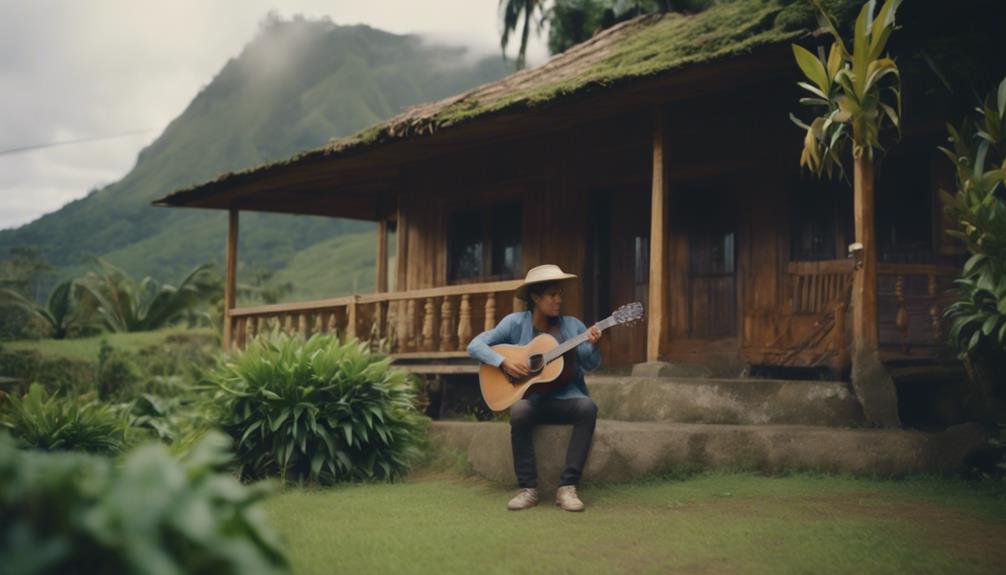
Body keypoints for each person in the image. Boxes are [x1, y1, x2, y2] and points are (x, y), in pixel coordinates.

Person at [467, 264, 602, 511]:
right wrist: (503, 362)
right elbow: (474, 345)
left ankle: (568, 487)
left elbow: (591, 364)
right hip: (534, 400)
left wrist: (593, 344)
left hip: (566, 398)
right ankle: (528, 489)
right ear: (535, 297)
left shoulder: (573, 327)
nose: (559, 300)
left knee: (588, 407)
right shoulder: (514, 324)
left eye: (560, 294)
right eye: (552, 295)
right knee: (519, 412)